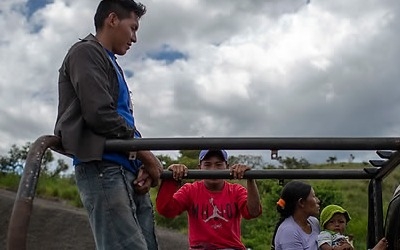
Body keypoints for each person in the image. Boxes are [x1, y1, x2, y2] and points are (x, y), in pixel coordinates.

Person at [54, 0, 162, 249]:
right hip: (103, 166)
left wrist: (139, 162)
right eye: (132, 28)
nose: (134, 38)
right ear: (112, 20)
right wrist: (146, 157)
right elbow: (100, 115)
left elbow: (122, 120)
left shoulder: (111, 63)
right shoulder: (86, 52)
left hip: (126, 169)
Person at [156, 149, 262, 250]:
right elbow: (166, 210)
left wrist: (250, 178)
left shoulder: (236, 190)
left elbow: (253, 212)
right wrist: (171, 178)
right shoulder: (191, 190)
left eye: (218, 165)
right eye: (207, 165)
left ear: (227, 167)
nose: (213, 170)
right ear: (200, 168)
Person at [272, 181, 388, 250]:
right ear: (301, 202)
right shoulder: (288, 231)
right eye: (313, 196)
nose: (318, 201)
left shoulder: (313, 222)